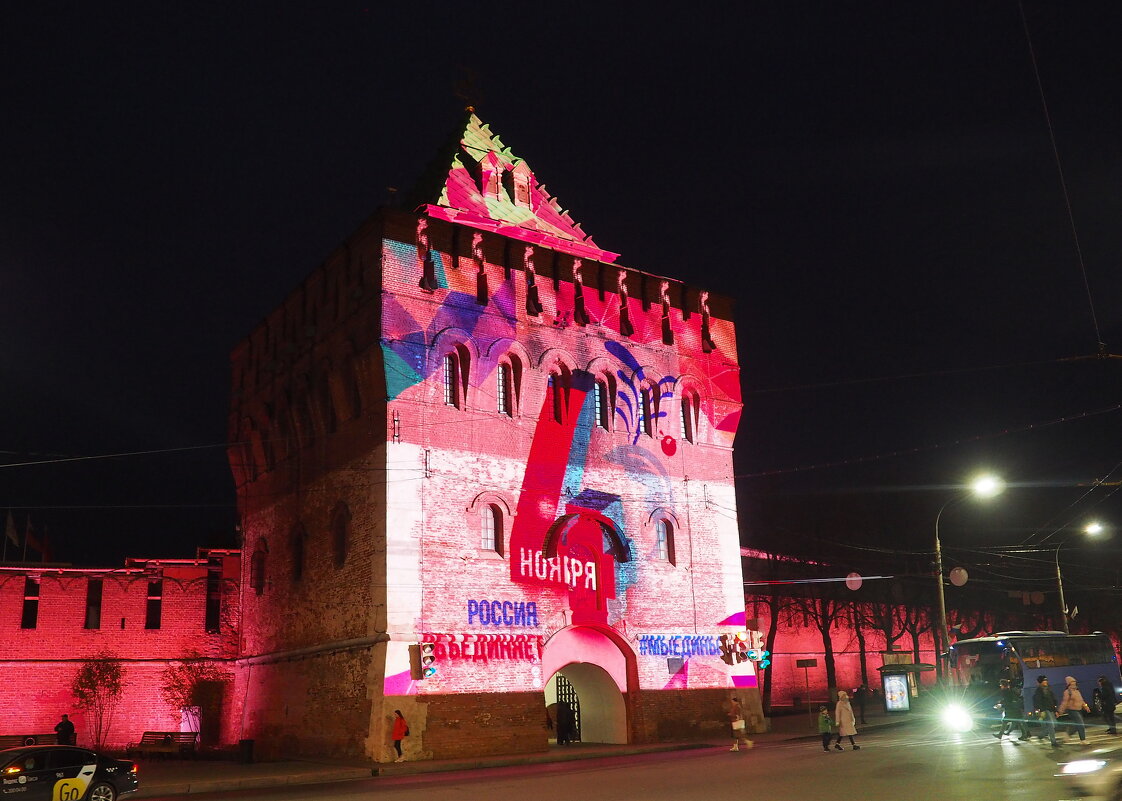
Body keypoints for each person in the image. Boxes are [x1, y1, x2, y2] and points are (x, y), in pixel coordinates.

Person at [1060, 676, 1089, 744]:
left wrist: (1086, 707)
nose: (1074, 684)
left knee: (1077, 725)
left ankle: (1068, 734)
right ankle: (1083, 740)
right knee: (1081, 723)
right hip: (1072, 710)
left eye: (1075, 682)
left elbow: (1081, 700)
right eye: (1072, 682)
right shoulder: (1067, 692)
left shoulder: (1077, 691)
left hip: (1078, 710)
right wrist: (1060, 711)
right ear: (1069, 684)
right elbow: (1064, 702)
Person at [1033, 675, 1060, 748]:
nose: (1046, 682)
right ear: (1040, 682)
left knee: (1055, 725)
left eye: (1046, 680)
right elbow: (1037, 701)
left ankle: (1042, 734)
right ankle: (1053, 742)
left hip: (1051, 709)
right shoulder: (1039, 691)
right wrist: (1041, 710)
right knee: (1051, 726)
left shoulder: (1048, 689)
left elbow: (1053, 700)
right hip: (1045, 710)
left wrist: (1055, 710)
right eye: (1044, 681)